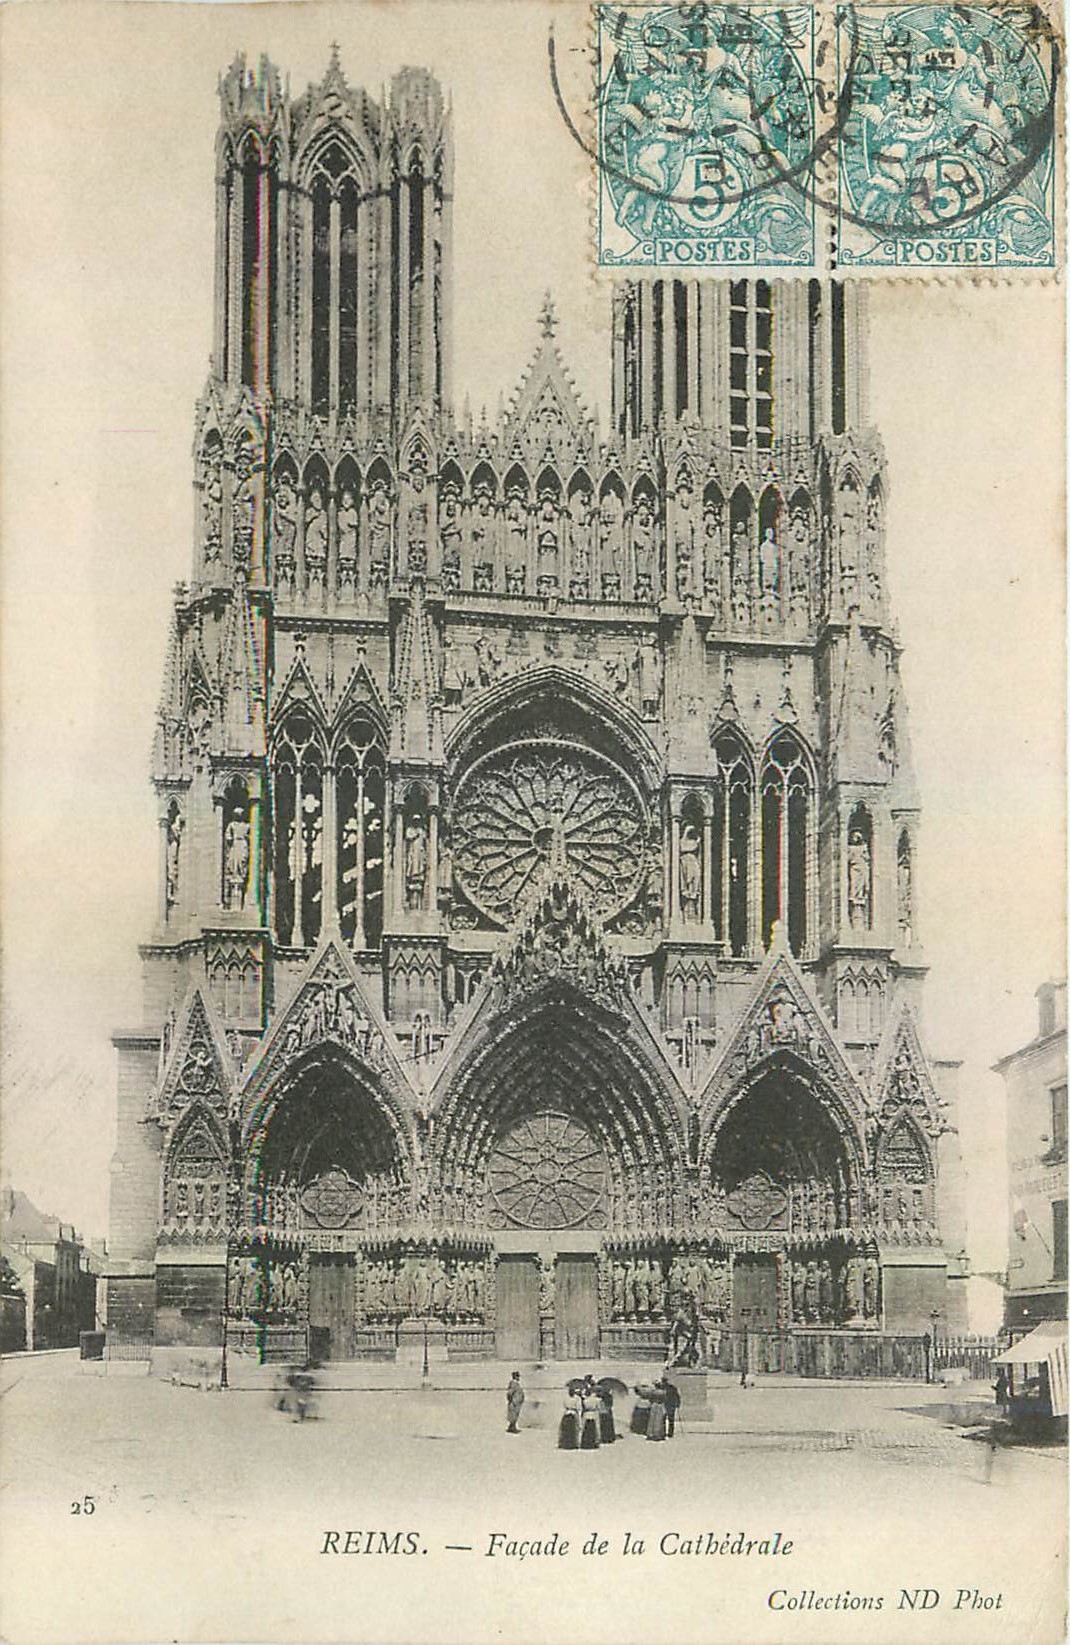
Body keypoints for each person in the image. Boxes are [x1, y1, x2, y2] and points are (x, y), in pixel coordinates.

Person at [580, 1381, 602, 1449]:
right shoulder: (596, 1400)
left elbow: (583, 1407)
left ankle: (585, 1442)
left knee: (585, 1427)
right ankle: (595, 1441)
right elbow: (598, 1407)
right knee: (595, 1427)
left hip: (586, 1414)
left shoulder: (585, 1400)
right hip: (594, 1413)